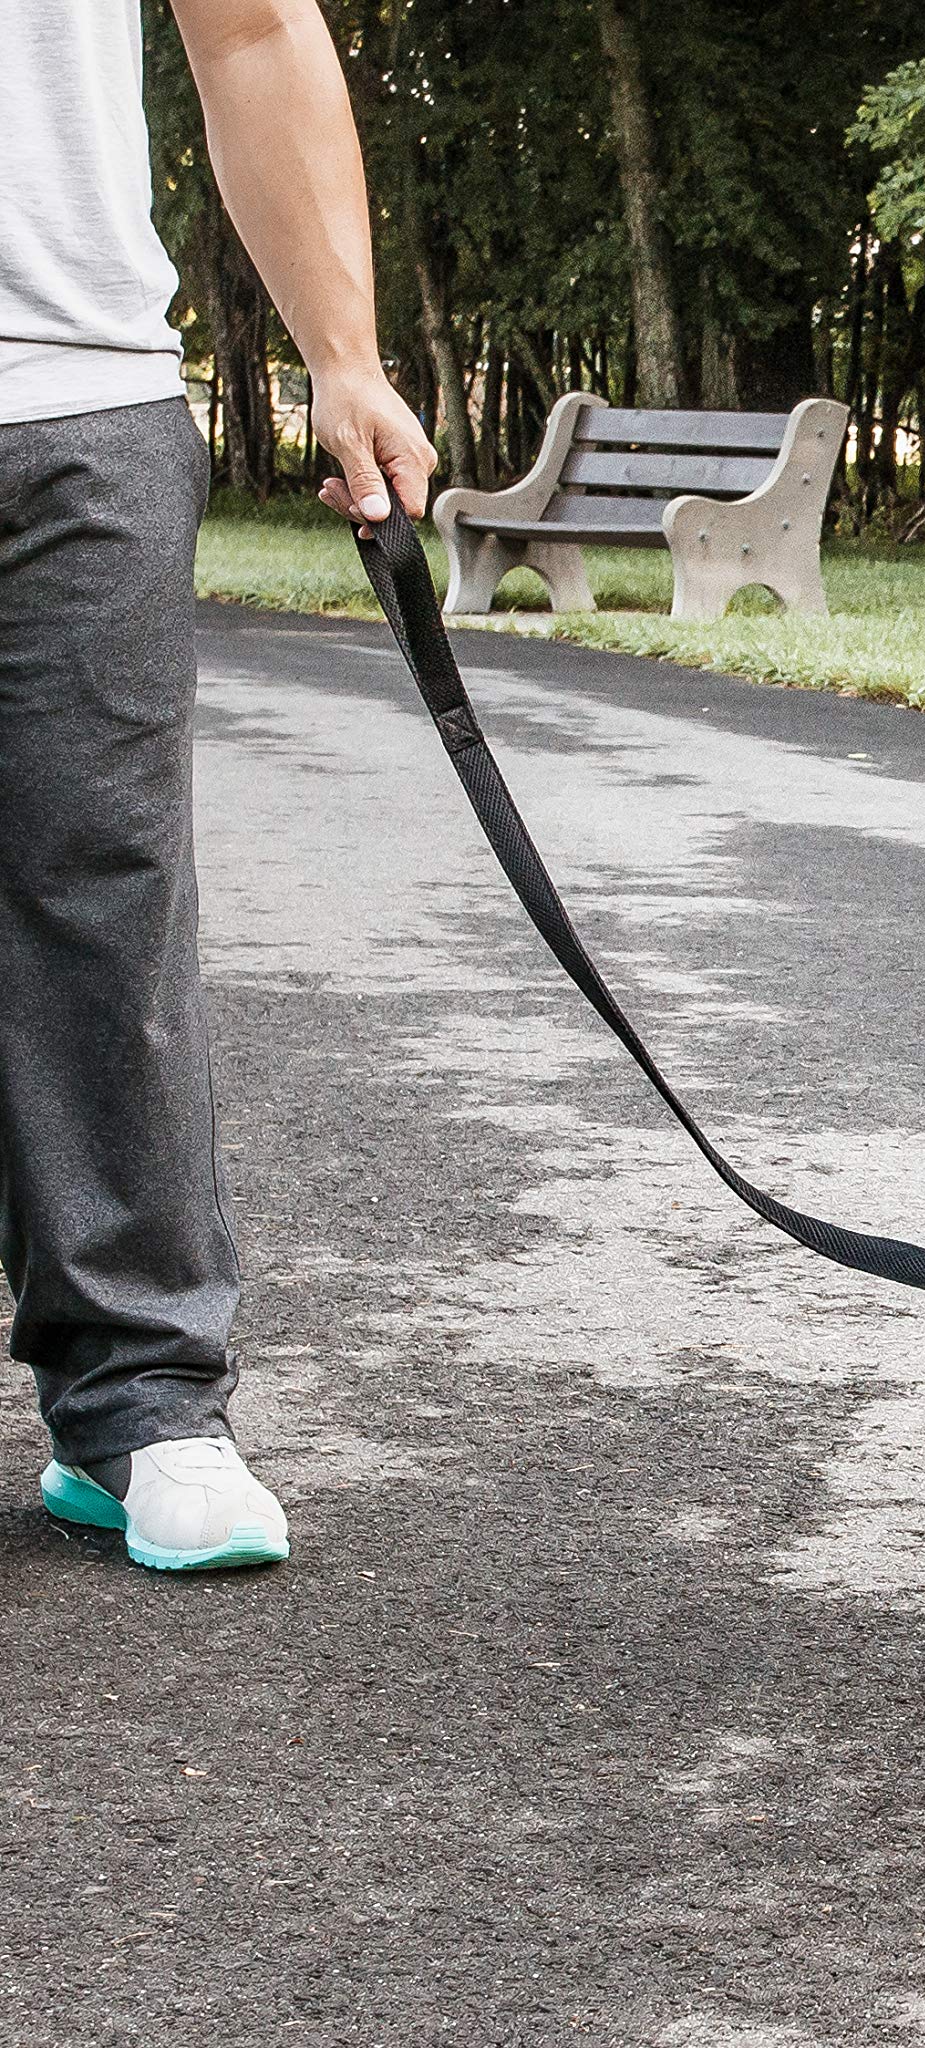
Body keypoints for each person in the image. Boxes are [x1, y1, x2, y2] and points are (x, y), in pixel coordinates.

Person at [1, 0, 434, 1568]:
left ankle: (143, 1410)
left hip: (70, 391)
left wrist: (345, 353)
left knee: (109, 902)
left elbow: (249, 28)